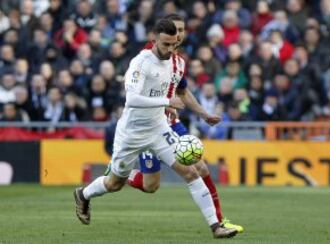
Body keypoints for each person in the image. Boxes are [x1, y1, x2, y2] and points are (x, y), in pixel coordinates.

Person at [74, 19, 237, 239]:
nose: (170, 49)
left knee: (191, 170)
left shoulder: (177, 63)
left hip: (159, 129)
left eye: (173, 44)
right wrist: (165, 103)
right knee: (114, 184)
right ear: (154, 40)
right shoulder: (141, 63)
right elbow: (131, 99)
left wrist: (195, 112)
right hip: (131, 133)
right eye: (165, 45)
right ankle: (83, 195)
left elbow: (171, 90)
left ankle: (216, 226)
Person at [120, 14, 244, 233]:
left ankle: (218, 222)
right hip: (148, 126)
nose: (179, 35)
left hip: (171, 124)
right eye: (175, 30)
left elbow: (183, 92)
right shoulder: (147, 59)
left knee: (199, 168)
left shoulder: (178, 62)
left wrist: (204, 114)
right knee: (150, 186)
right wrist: (161, 103)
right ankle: (121, 174)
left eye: (182, 30)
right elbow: (136, 94)